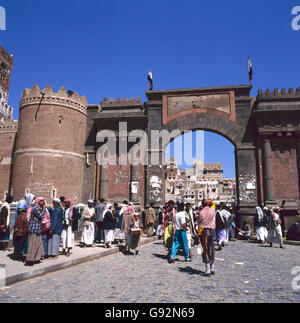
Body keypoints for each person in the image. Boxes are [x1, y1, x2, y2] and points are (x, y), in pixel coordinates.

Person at [25, 197, 47, 266]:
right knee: (32, 244)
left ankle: (36, 258)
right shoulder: (36, 208)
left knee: (38, 244)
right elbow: (41, 216)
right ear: (38, 201)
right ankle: (29, 260)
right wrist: (44, 209)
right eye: (42, 201)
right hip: (34, 229)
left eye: (43, 201)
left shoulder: (38, 208)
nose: (43, 202)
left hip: (37, 229)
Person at [198, 200, 216, 277]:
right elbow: (213, 203)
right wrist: (209, 201)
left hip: (204, 232)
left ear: (202, 205)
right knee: (211, 249)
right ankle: (212, 268)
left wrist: (198, 236)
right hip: (212, 232)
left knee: (205, 250)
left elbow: (200, 225)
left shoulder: (201, 212)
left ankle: (207, 269)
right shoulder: (212, 210)